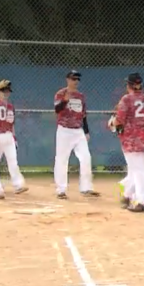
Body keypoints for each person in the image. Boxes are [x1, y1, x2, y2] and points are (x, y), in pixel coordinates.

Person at [112, 73, 144, 213]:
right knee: (138, 170)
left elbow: (119, 119)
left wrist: (112, 123)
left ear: (129, 85)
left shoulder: (127, 99)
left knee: (139, 171)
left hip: (131, 141)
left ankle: (143, 201)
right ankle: (127, 194)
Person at [53, 70, 100, 199]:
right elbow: (57, 110)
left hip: (78, 130)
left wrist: (86, 131)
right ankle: (61, 189)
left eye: (78, 79)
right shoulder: (60, 94)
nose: (76, 82)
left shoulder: (80, 96)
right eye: (73, 79)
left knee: (86, 157)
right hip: (64, 130)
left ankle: (86, 187)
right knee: (62, 159)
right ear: (67, 80)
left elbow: (83, 115)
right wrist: (64, 101)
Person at [0, 80, 28, 194]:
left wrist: (14, 137)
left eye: (7, 91)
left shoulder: (10, 106)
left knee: (13, 161)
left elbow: (11, 123)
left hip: (8, 136)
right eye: (3, 90)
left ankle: (18, 185)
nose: (5, 93)